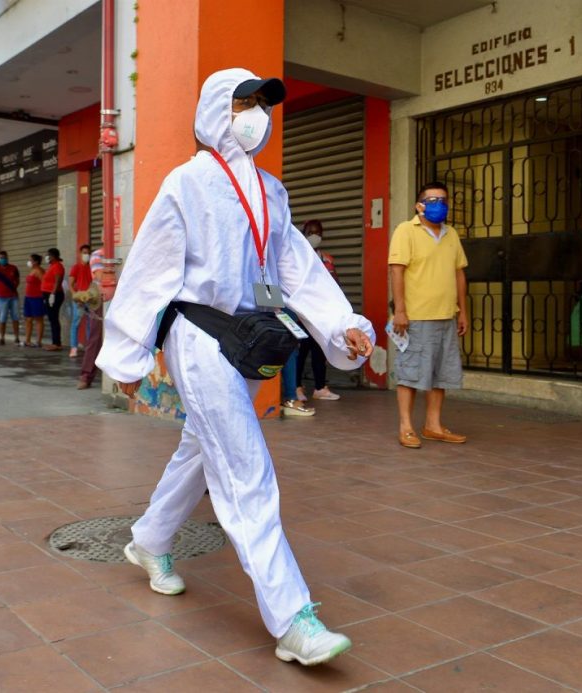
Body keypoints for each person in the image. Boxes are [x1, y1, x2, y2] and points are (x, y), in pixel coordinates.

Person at [97, 68, 374, 666]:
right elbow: (149, 269)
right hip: (197, 335)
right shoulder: (186, 184)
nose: (257, 115)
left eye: (263, 105)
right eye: (245, 102)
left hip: (250, 339)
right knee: (244, 466)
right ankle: (293, 618)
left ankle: (149, 540)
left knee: (202, 448)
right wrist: (128, 352)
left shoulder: (272, 192)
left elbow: (296, 269)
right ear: (217, 110)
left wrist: (342, 325)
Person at [389, 182, 469, 449]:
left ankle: (433, 426)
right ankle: (406, 427)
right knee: (410, 373)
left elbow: (459, 274)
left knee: (441, 374)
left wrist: (463, 312)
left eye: (443, 200)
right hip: (416, 316)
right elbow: (397, 271)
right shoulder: (405, 231)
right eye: (432, 200)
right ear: (419, 205)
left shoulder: (451, 234)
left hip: (446, 315)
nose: (439, 205)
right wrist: (400, 311)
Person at [297, 220, 340, 402]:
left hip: (320, 315)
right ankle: (296, 387)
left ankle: (320, 388)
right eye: (310, 232)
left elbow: (335, 285)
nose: (315, 236)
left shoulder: (327, 260)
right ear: (304, 234)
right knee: (299, 353)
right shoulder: (297, 257)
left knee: (319, 352)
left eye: (318, 232)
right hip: (301, 314)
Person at [74, 249, 107, 390]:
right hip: (100, 301)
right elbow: (100, 276)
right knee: (95, 339)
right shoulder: (98, 255)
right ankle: (86, 376)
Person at [0, 250, 21, 346]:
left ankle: (17, 338)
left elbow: (17, 280)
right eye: (1, 258)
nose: (3, 259)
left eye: (4, 257)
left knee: (15, 317)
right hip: (1, 298)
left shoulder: (13, 268)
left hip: (13, 297)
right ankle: (2, 338)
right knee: (2, 318)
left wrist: (13, 289)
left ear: (7, 258)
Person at [68, 243, 93, 358]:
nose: (86, 255)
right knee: (75, 323)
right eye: (84, 253)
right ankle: (73, 348)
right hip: (79, 300)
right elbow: (71, 284)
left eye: (88, 253)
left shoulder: (92, 267)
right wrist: (76, 296)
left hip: (91, 299)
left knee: (90, 324)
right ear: (80, 254)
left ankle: (89, 348)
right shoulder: (76, 267)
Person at [41, 247, 65, 351]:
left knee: (53, 318)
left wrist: (52, 294)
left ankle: (56, 343)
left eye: (48, 255)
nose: (47, 257)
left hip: (54, 295)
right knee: (52, 318)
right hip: (49, 295)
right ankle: (55, 342)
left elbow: (57, 281)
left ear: (53, 256)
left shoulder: (57, 266)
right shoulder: (52, 266)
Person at [22, 254, 46, 348]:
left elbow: (44, 283)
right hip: (28, 298)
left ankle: (38, 341)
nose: (29, 262)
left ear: (36, 262)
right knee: (28, 319)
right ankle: (27, 340)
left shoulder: (39, 271)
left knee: (38, 319)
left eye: (31, 260)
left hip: (37, 298)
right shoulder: (32, 270)